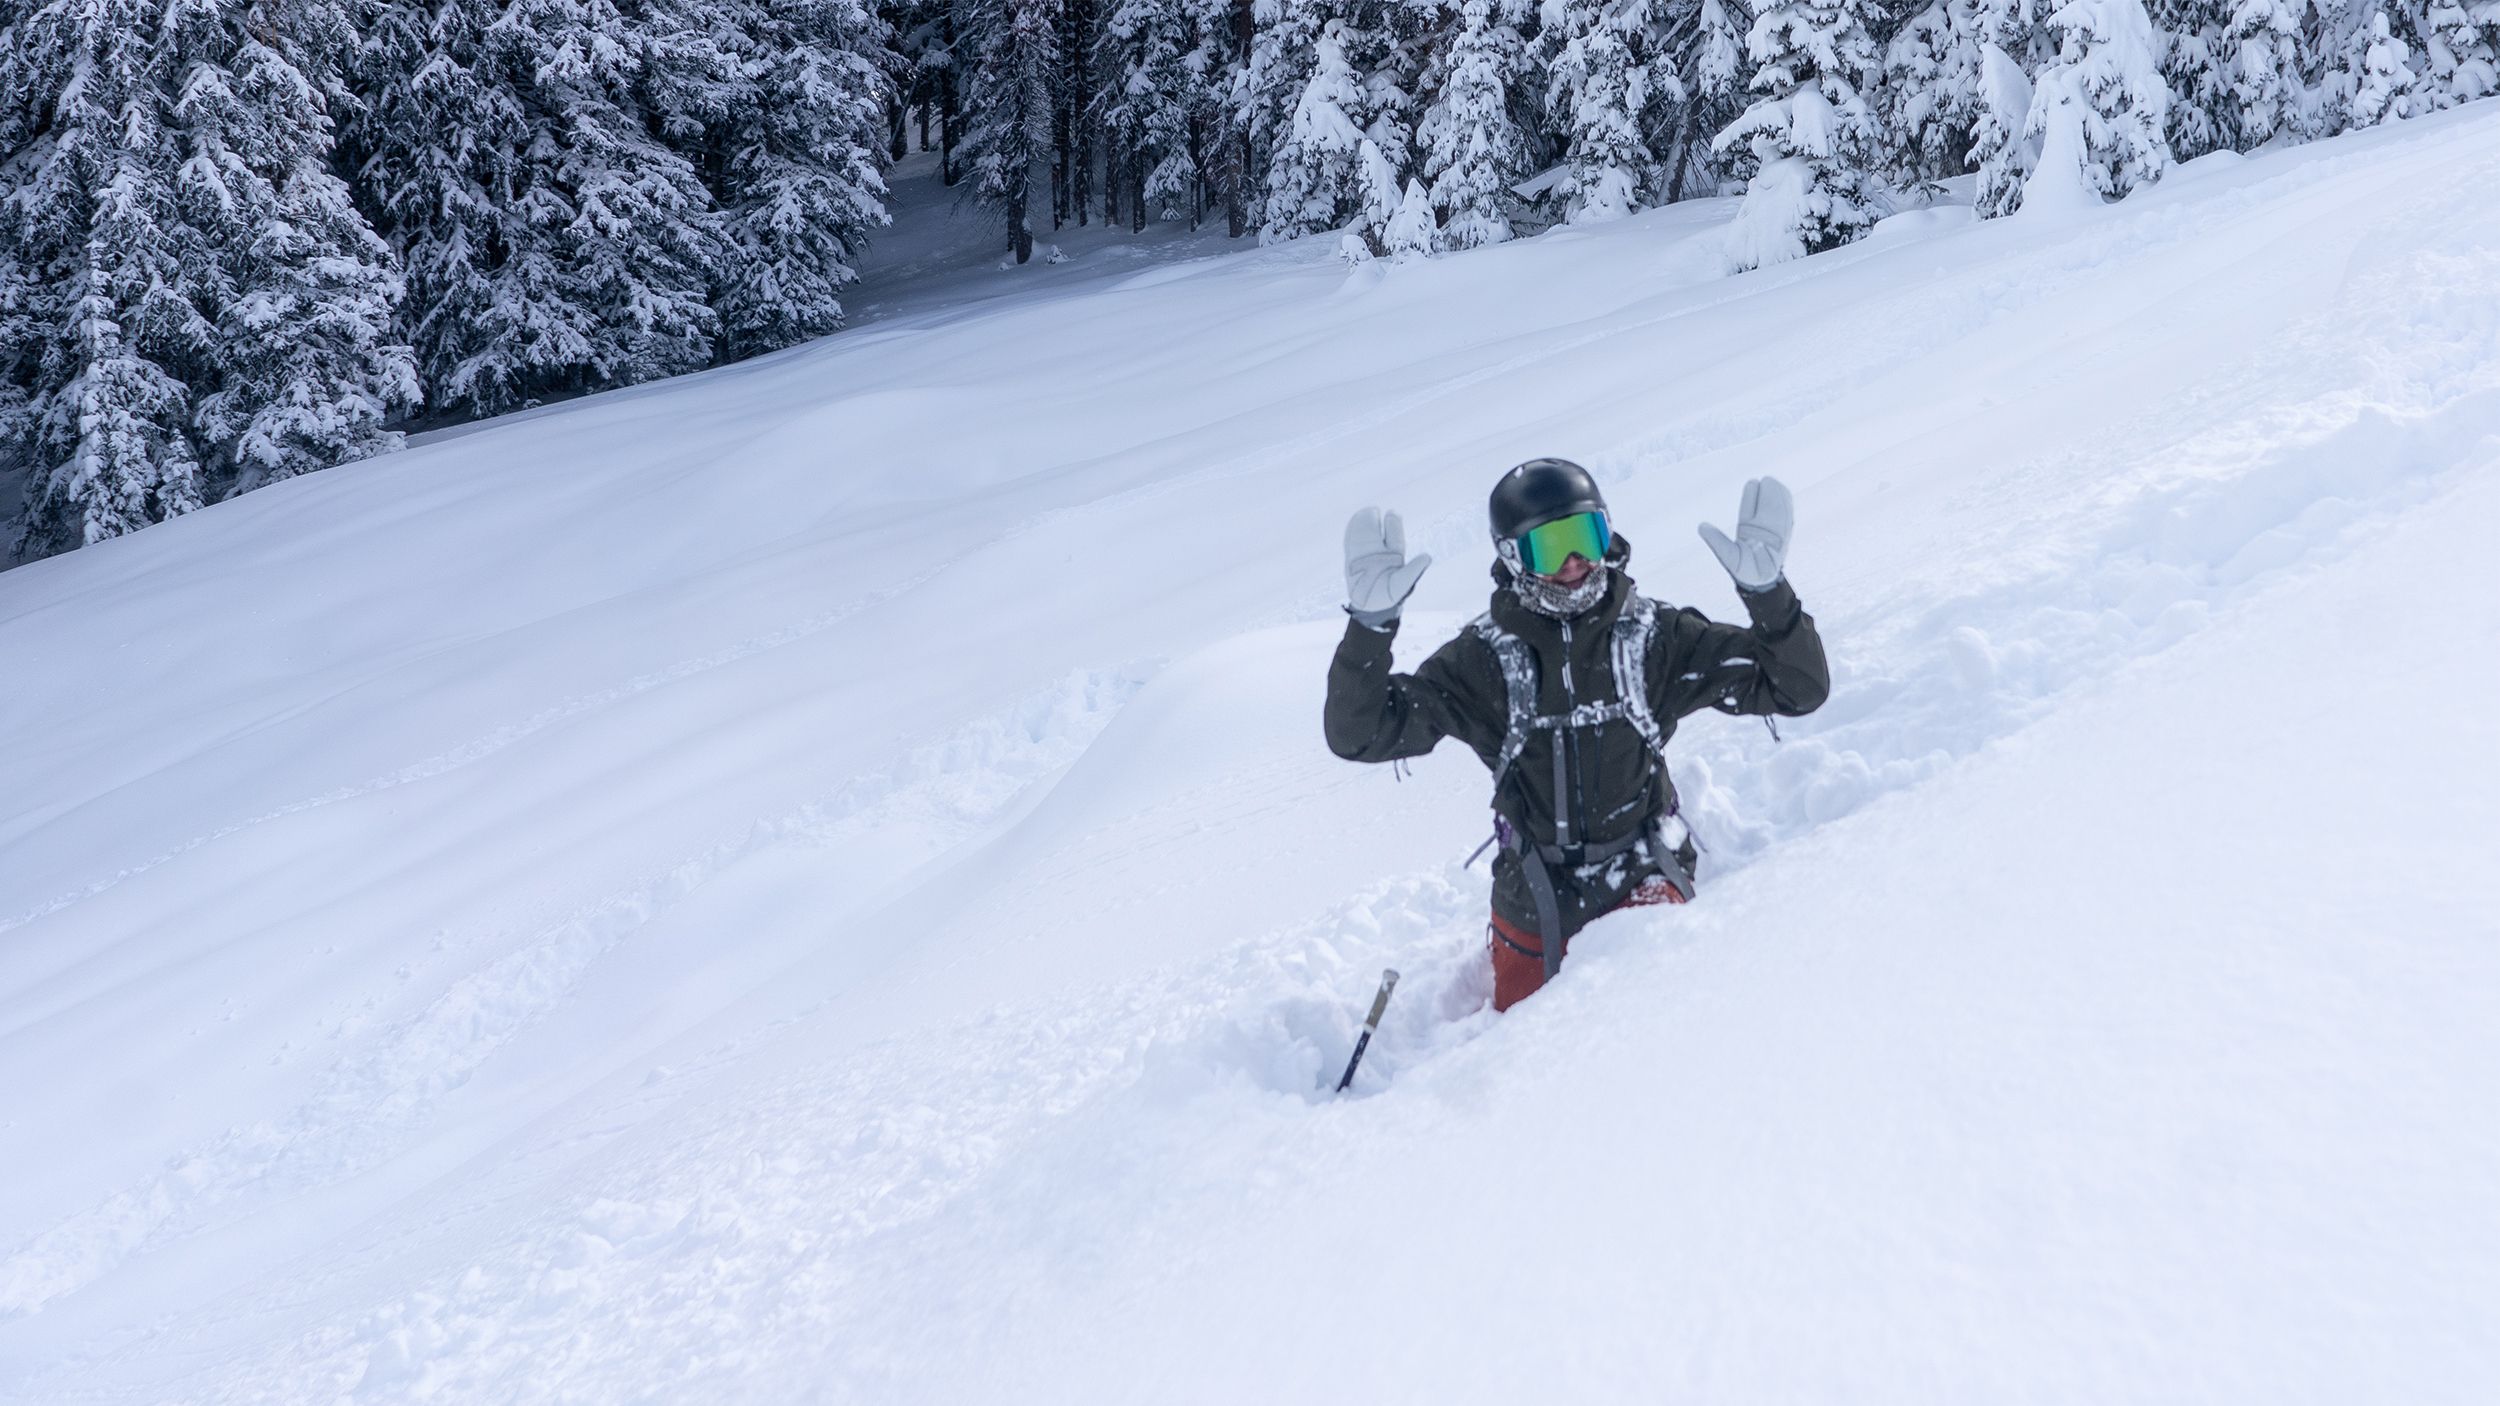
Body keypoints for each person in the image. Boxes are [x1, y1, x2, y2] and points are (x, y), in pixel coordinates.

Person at [1323, 459, 1830, 1011]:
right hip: (1533, 897)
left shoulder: (1655, 639)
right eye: (1550, 545)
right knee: (1516, 1054)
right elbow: (1361, 733)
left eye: (1586, 536)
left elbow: (1797, 689)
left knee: (1671, 1021)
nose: (1574, 562)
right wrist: (1368, 633)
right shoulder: (1482, 662)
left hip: (1643, 877)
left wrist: (1768, 596)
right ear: (1514, 557)